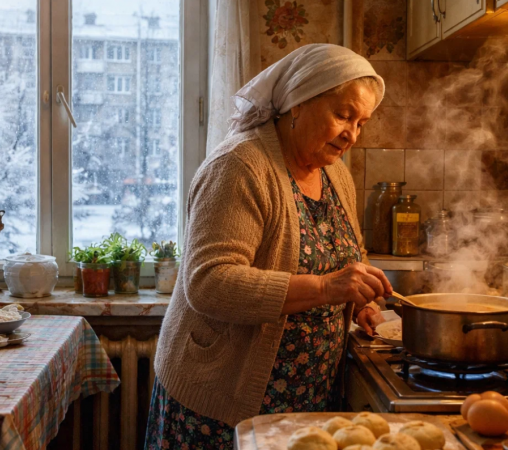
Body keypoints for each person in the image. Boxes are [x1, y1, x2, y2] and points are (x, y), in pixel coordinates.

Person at [145, 43, 392, 449]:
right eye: (343, 115)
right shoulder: (240, 166)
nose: (352, 134)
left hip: (303, 400)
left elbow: (349, 256)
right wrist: (328, 288)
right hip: (223, 404)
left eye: (361, 122)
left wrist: (361, 299)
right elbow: (209, 282)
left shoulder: (335, 174)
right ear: (297, 102)